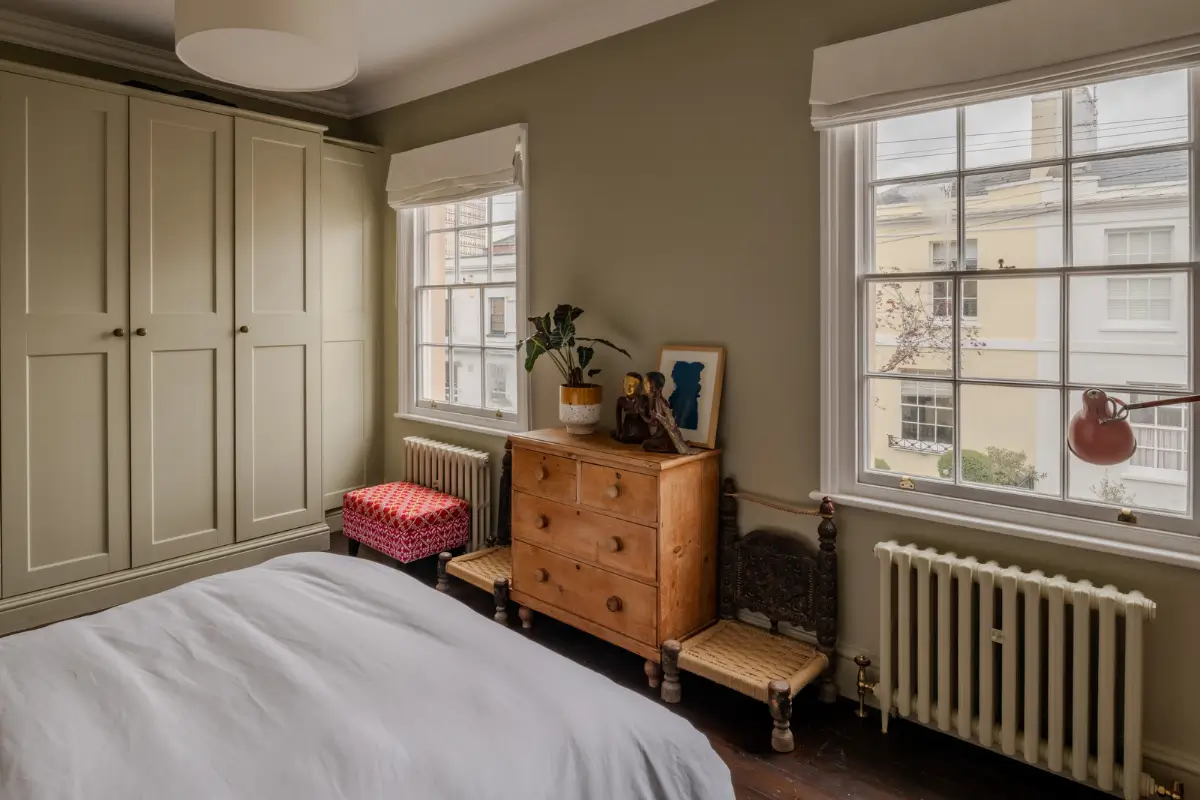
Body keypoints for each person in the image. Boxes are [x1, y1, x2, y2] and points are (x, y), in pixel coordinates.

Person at [641, 371, 690, 454]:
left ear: (657, 387)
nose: (645, 386)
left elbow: (660, 424)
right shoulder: (654, 401)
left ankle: (668, 448)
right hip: (661, 434)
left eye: (647, 383)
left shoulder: (660, 402)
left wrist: (642, 415)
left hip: (665, 435)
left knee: (646, 444)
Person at [614, 372, 651, 444]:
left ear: (639, 388)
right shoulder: (621, 401)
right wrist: (619, 431)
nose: (627, 388)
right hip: (626, 432)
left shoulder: (643, 399)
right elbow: (618, 418)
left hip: (640, 433)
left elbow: (648, 418)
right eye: (626, 384)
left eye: (631, 386)